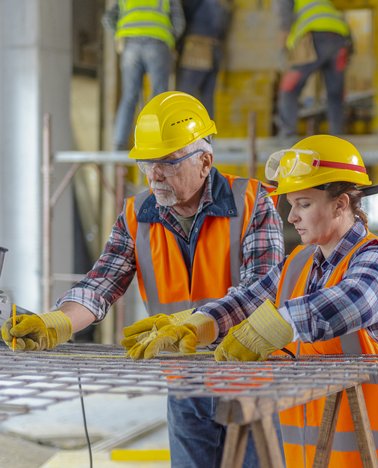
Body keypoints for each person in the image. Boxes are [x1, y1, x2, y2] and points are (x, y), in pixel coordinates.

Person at [1, 91, 285, 468]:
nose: (154, 174)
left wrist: (194, 324)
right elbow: (101, 284)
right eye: (147, 163)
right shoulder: (137, 214)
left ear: (205, 161)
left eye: (167, 161)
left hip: (251, 378)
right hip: (183, 382)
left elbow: (260, 290)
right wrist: (58, 321)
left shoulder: (252, 201)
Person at [135, 134, 378, 466]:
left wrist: (274, 326)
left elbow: (349, 301)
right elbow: (247, 300)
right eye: (291, 204)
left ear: (340, 203)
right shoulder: (300, 263)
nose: (291, 217)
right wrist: (197, 323)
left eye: (303, 204)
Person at [103, 0, 186, 150]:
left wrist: (119, 35)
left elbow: (108, 19)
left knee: (129, 96)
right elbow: (179, 21)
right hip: (157, 44)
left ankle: (119, 143)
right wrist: (170, 39)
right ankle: (153, 140)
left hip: (130, 46)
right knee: (158, 96)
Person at [275, 0, 352, 137]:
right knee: (335, 94)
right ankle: (338, 135)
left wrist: (282, 50)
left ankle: (288, 134)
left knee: (289, 88)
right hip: (340, 39)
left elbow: (285, 20)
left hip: (313, 38)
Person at [177, 0, 232, 117]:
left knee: (185, 95)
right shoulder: (224, 3)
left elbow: (181, 18)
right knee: (207, 98)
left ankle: (183, 133)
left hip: (197, 48)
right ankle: (207, 134)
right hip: (215, 49)